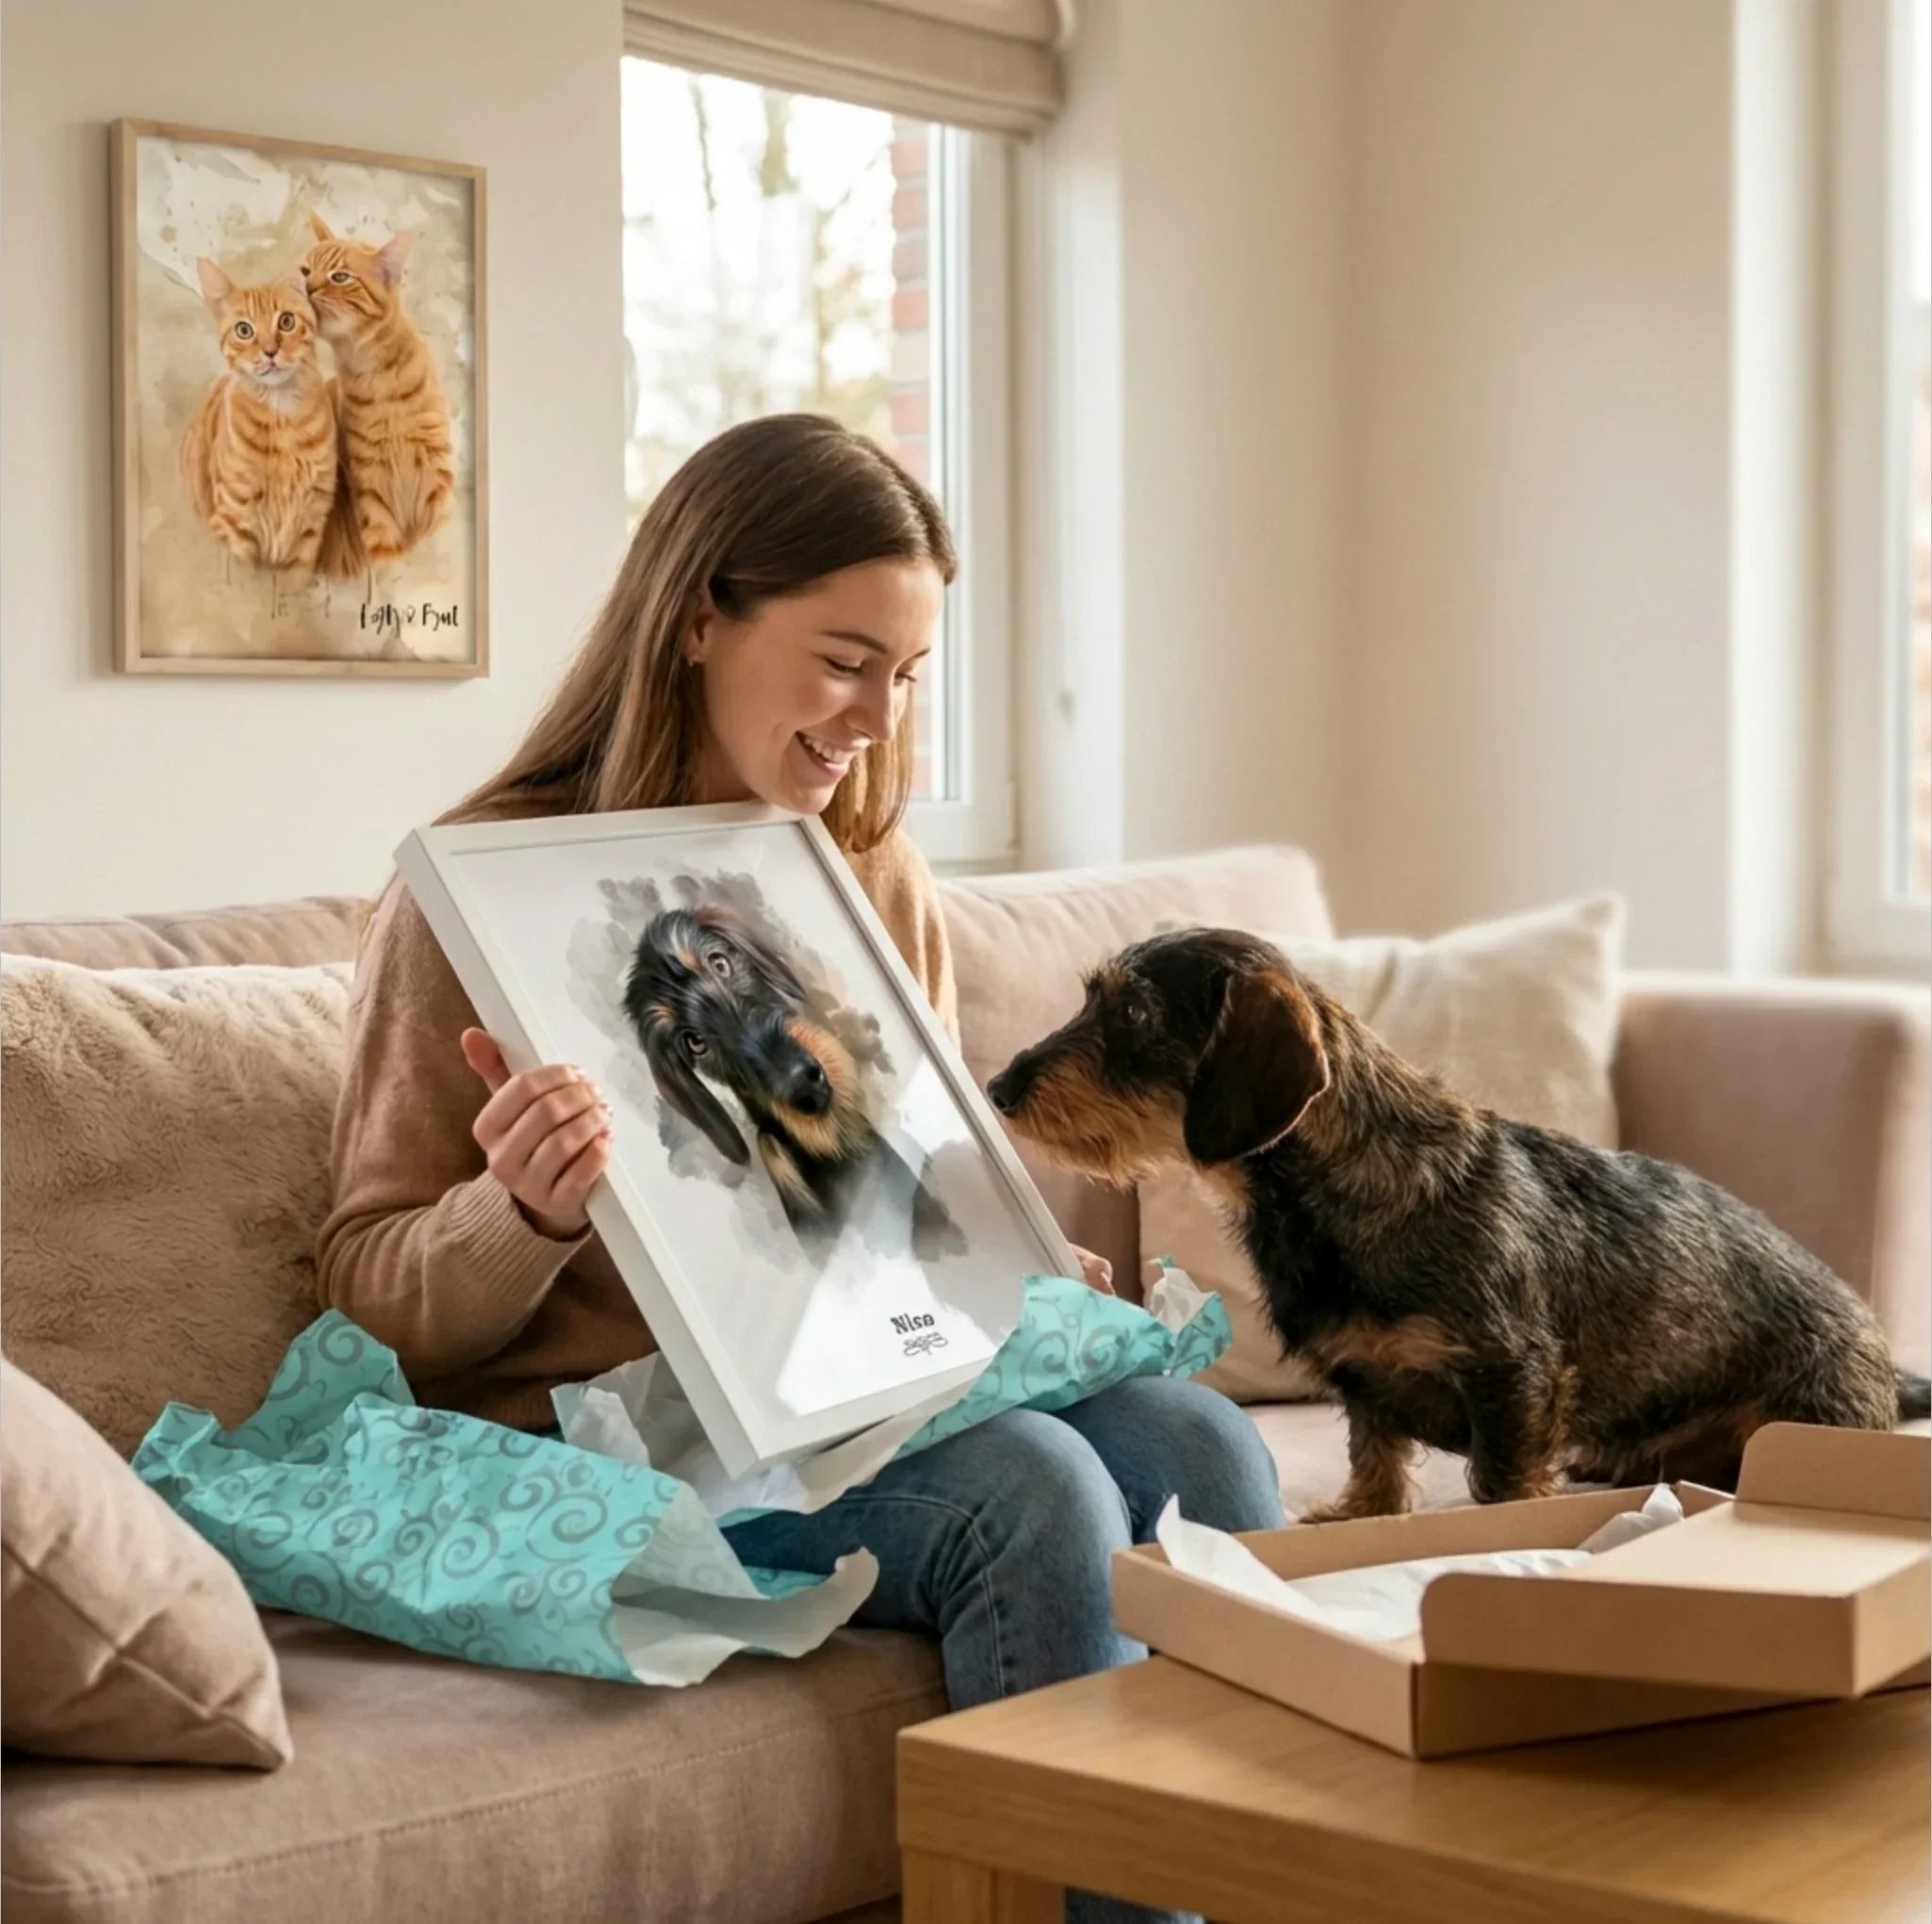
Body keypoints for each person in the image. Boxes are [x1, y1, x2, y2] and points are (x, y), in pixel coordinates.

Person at [319, 413, 1284, 1924]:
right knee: (1023, 1490)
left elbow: (902, 1187)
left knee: (1201, 1447)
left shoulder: (868, 867)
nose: (875, 721)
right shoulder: (475, 888)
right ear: (700, 616)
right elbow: (370, 1299)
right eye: (845, 662)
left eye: (905, 678)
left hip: (850, 1396)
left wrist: (1011, 1267)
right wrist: (515, 1212)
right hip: (611, 1437)